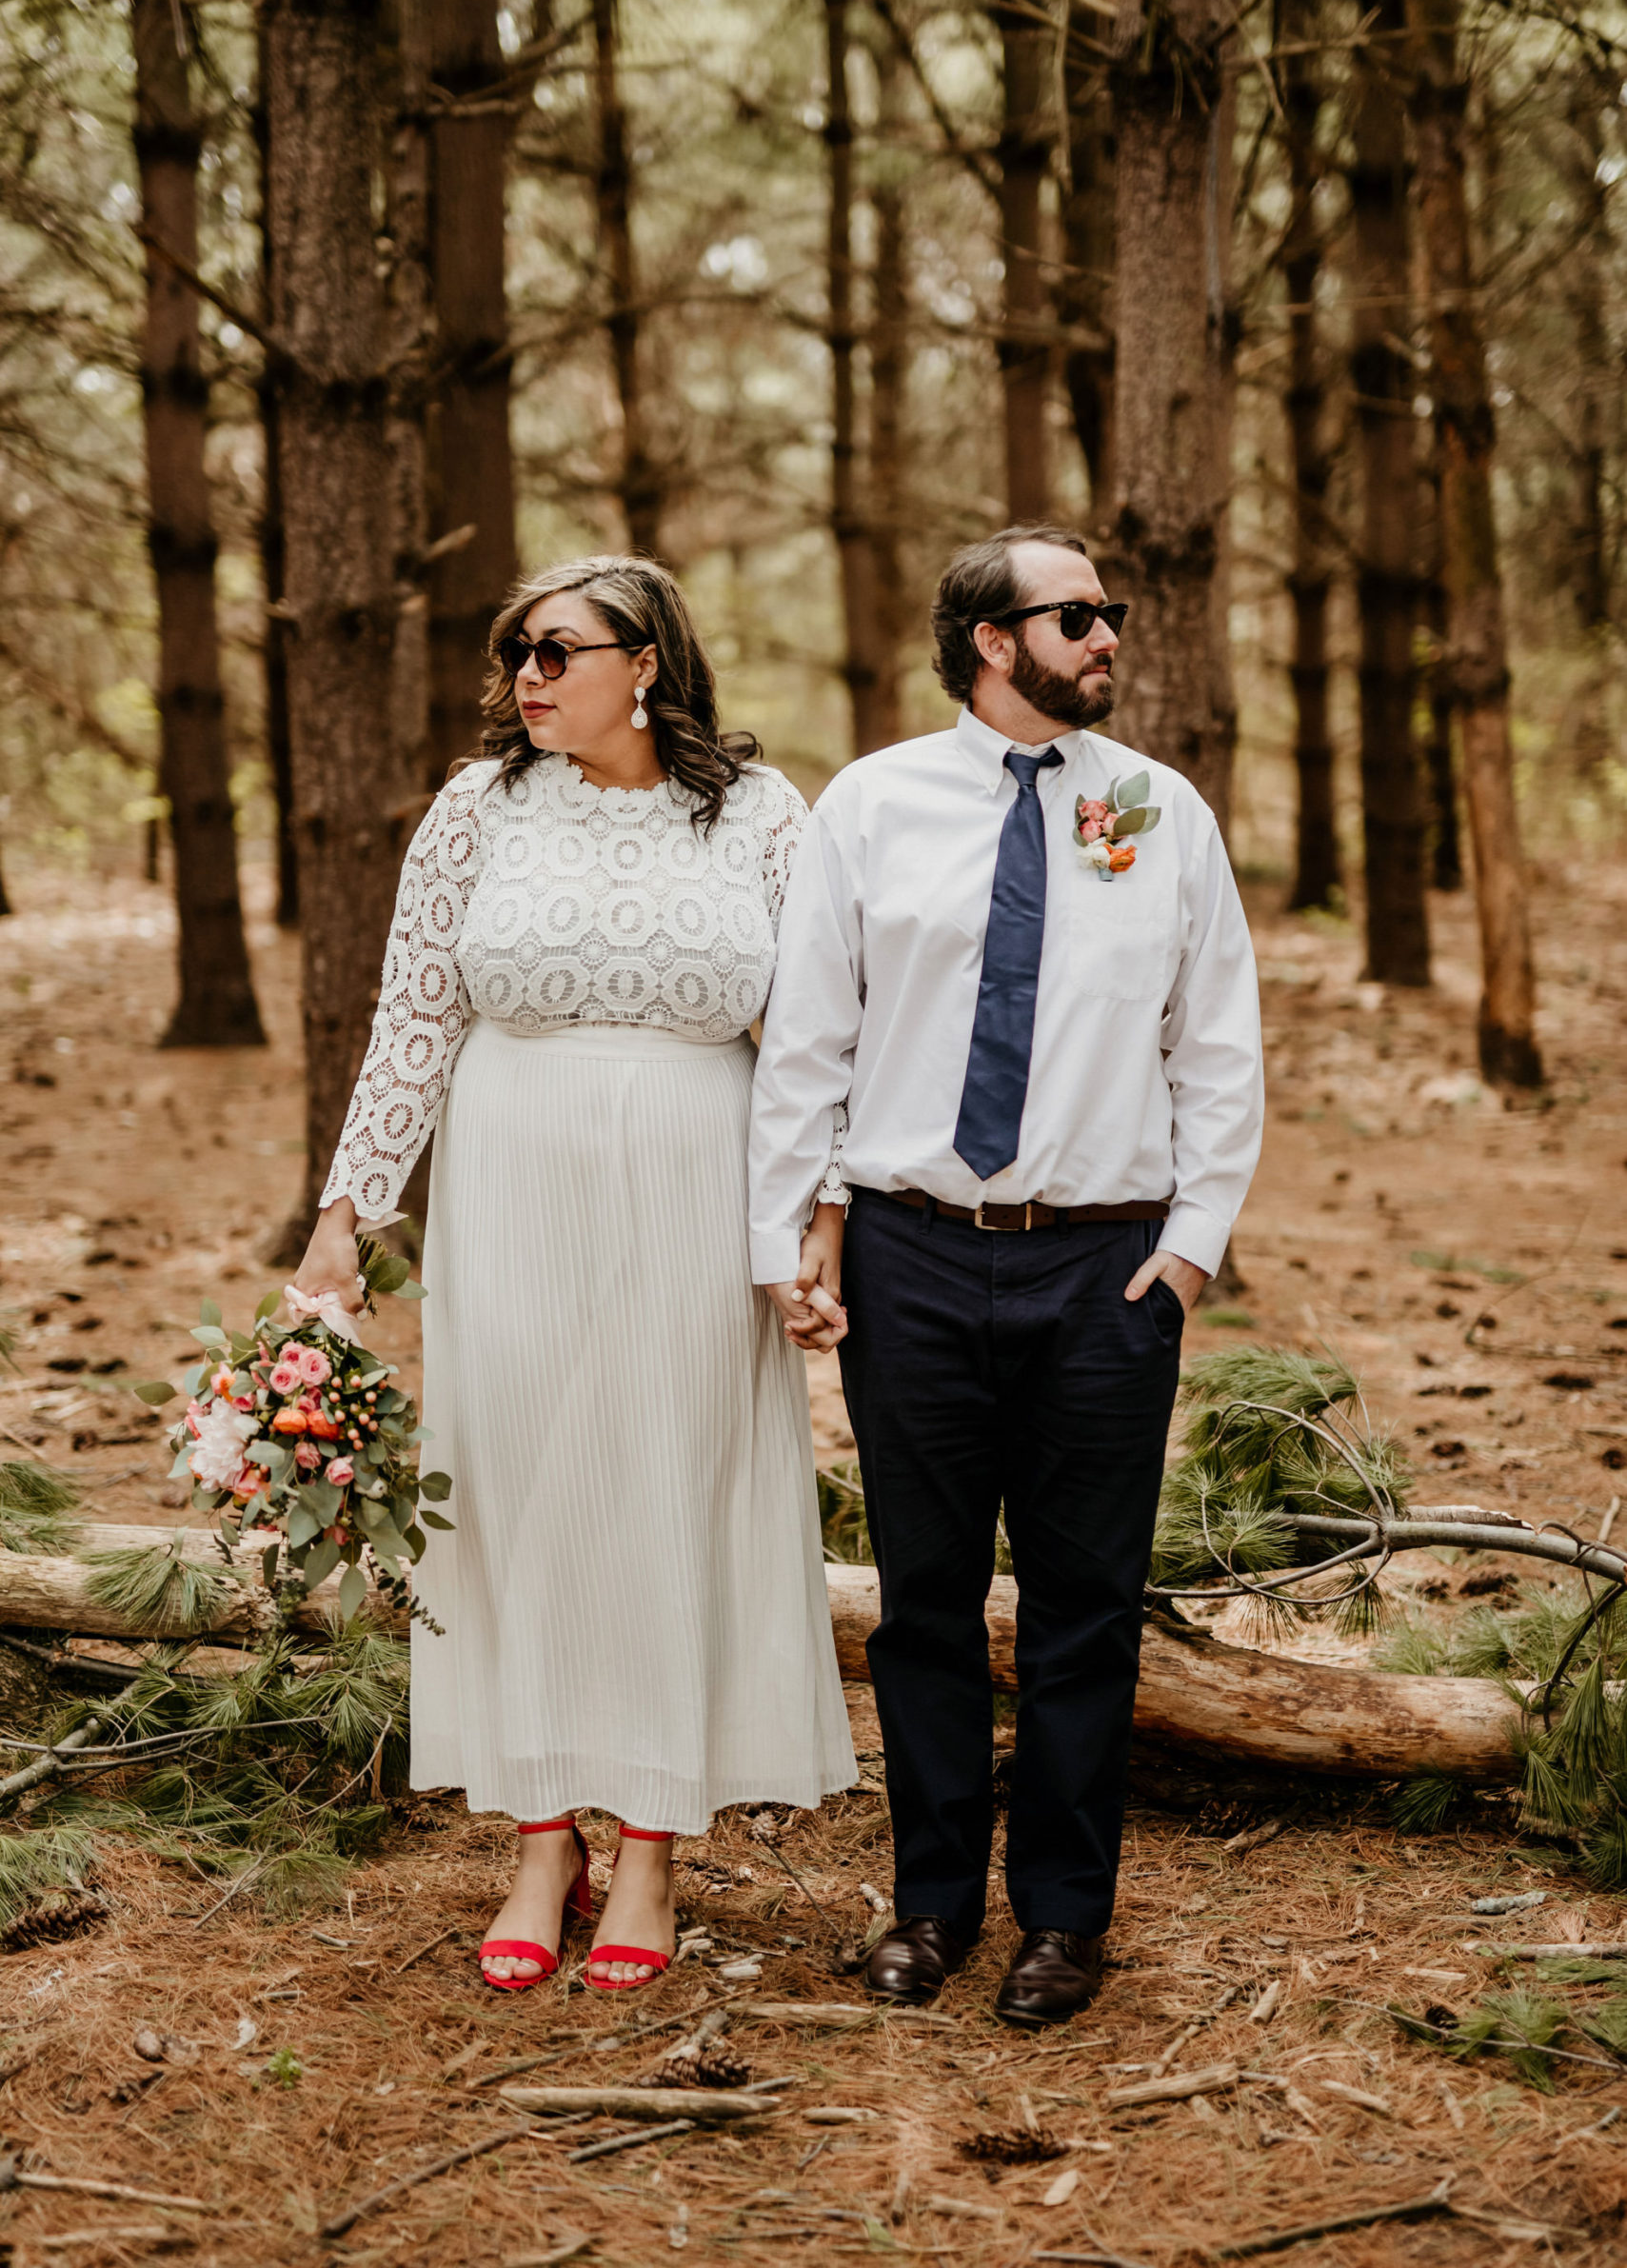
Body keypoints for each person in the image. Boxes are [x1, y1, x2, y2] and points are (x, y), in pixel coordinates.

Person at [293, 554, 854, 1998]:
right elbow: (413, 1011)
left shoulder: (764, 814)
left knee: (668, 1490)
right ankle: (543, 1836)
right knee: (521, 1491)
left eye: (557, 650)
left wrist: (819, 1215)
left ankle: (655, 1842)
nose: (527, 678)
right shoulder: (478, 810)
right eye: (517, 655)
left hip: (695, 1190)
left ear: (646, 660)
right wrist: (348, 1211)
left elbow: (816, 1036)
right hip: (510, 1185)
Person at [749, 524, 1263, 2028]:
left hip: (1105, 1271)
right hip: (910, 1254)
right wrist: (793, 1232)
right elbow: (810, 1039)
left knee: (1084, 1608)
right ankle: (926, 1908)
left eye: (1111, 614)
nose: (1109, 636)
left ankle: (1062, 1918)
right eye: (1079, 616)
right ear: (991, 640)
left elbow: (1217, 1046)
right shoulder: (871, 806)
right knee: (920, 1602)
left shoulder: (1161, 813)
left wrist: (1184, 1255)